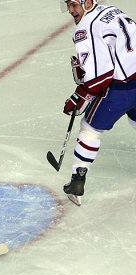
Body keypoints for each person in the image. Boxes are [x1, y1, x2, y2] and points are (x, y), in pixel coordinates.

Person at [61, 0, 136, 205]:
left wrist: (80, 95)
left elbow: (100, 77)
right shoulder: (110, 9)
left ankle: (77, 181)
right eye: (67, 5)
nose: (70, 10)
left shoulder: (85, 29)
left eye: (74, 5)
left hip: (122, 88)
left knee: (89, 128)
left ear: (87, 3)